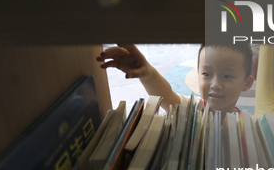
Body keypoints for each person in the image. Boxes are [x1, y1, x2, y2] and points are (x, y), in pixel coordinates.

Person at [96, 44, 254, 119]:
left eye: (227, 76)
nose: (215, 85)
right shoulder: (195, 108)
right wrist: (147, 73)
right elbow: (166, 96)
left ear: (247, 83)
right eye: (206, 74)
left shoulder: (250, 126)